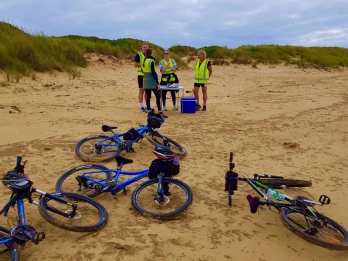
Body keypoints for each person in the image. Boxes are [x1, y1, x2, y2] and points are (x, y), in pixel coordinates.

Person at [142, 48, 167, 118]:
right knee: (158, 96)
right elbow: (153, 72)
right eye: (153, 53)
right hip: (151, 79)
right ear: (150, 53)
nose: (153, 54)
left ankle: (149, 110)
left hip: (145, 79)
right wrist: (157, 82)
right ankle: (159, 111)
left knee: (148, 96)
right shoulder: (151, 61)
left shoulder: (144, 60)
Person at [134, 42, 148, 113]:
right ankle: (141, 106)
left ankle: (147, 106)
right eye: (144, 47)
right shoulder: (139, 55)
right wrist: (143, 64)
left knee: (147, 91)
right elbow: (135, 64)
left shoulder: (149, 55)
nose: (145, 48)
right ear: (142, 48)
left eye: (146, 47)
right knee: (141, 91)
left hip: (148, 75)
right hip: (141, 75)